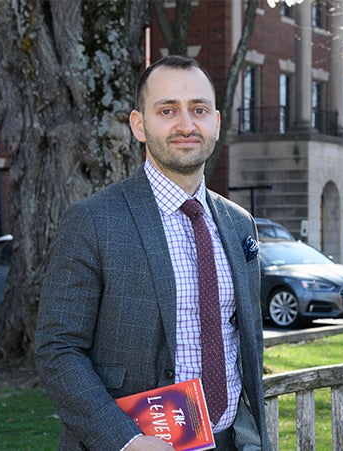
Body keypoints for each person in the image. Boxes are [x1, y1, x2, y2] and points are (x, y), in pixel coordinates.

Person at [35, 55, 271, 451]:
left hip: (235, 441)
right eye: (167, 110)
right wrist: (126, 441)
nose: (186, 125)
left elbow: (243, 340)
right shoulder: (93, 221)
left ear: (215, 121)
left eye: (198, 110)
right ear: (139, 125)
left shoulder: (238, 223)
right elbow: (57, 349)